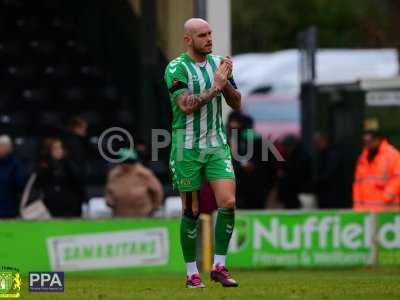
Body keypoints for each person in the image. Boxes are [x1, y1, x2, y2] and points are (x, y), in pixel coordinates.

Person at [164, 18, 241, 288]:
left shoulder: (219, 64)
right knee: (192, 210)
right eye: (202, 35)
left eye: (210, 33)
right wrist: (216, 86)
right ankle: (191, 272)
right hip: (186, 148)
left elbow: (237, 102)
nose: (209, 39)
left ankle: (219, 266)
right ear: (188, 40)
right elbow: (185, 106)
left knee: (228, 202)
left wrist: (226, 81)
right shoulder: (176, 68)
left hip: (216, 144)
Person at [34, 138, 86, 217]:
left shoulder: (69, 164)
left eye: (61, 148)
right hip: (51, 206)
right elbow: (38, 185)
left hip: (70, 206)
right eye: (55, 148)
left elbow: (78, 181)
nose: (59, 150)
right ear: (49, 151)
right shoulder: (44, 166)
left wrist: (67, 162)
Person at [105, 148, 163, 217]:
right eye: (123, 161)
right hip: (120, 214)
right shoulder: (114, 174)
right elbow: (109, 190)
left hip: (142, 214)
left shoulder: (144, 173)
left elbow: (157, 191)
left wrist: (155, 207)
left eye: (129, 162)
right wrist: (109, 199)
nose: (125, 164)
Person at [353, 130, 400, 212]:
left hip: (387, 209)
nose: (367, 144)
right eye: (365, 141)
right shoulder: (363, 157)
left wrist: (387, 195)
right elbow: (358, 183)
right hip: (366, 210)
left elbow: (398, 177)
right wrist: (358, 207)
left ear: (378, 140)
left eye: (369, 141)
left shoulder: (392, 154)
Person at [0, 135, 25, 218]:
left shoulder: (16, 164)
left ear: (9, 148)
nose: (1, 149)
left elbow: (20, 183)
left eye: (3, 146)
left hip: (9, 208)